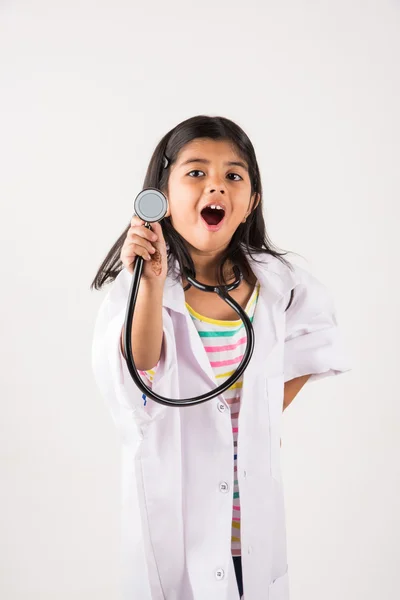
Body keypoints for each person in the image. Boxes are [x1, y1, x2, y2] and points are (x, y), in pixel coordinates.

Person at [90, 115, 351, 600]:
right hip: (180, 513)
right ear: (162, 195)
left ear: (251, 201)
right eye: (196, 173)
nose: (216, 185)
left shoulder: (277, 284)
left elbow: (320, 344)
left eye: (233, 175)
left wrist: (259, 412)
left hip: (245, 516)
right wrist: (149, 283)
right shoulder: (143, 285)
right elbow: (139, 365)